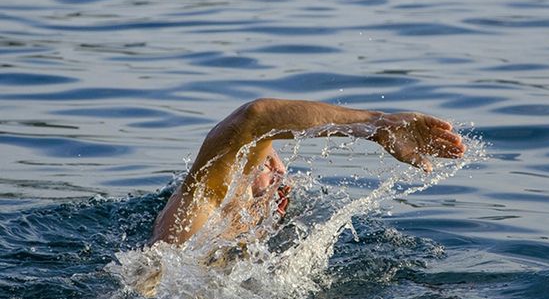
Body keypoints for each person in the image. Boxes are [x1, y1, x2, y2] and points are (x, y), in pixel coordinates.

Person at [150, 98, 466, 246]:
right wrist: (376, 125)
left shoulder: (240, 245)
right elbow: (256, 117)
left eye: (265, 161)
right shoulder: (197, 213)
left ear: (278, 203)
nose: (271, 164)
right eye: (260, 157)